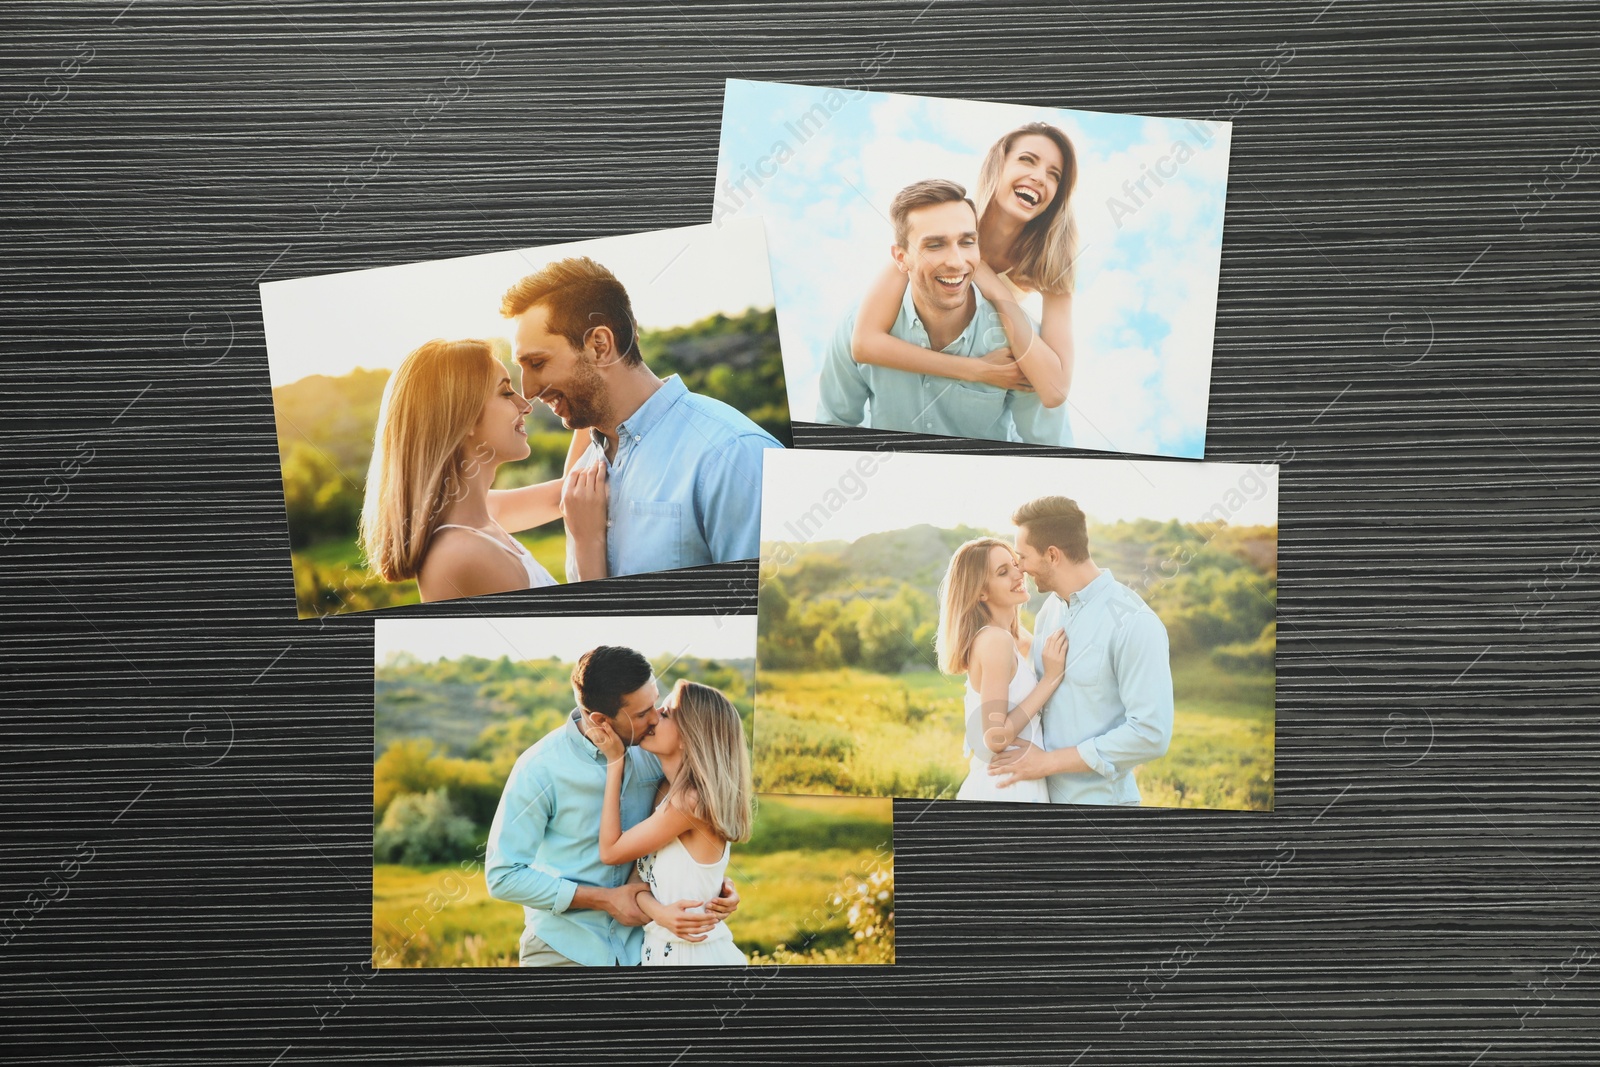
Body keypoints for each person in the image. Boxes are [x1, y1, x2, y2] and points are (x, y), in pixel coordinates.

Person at [502, 256, 784, 580]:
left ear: (599, 346)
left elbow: (764, 617)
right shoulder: (583, 473)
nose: (529, 390)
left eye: (537, 363)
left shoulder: (734, 454)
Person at [484, 646, 740, 966]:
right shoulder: (539, 769)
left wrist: (715, 887)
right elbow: (503, 876)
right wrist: (605, 901)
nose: (654, 718)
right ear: (601, 720)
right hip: (563, 950)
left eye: (656, 703)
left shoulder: (656, 752)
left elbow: (697, 824)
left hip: (645, 950)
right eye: (641, 714)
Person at [849, 123, 1079, 446]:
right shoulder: (947, 221)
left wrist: (996, 290)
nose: (1041, 177)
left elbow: (1054, 391)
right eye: (1028, 160)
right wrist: (975, 370)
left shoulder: (1051, 261)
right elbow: (864, 343)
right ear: (998, 166)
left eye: (1054, 174)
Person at [358, 338, 609, 602]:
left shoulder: (476, 514)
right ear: (463, 418)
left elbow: (568, 492)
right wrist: (588, 543)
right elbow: (589, 621)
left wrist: (589, 387)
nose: (525, 406)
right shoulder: (465, 555)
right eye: (505, 392)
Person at [991, 496, 1174, 804]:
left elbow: (1151, 735)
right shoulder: (1050, 610)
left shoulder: (1134, 623)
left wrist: (1049, 762)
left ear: (1052, 555)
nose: (1019, 567)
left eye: (1022, 556)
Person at [817, 179, 1026, 441]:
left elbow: (1047, 436)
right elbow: (833, 427)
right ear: (901, 258)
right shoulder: (858, 319)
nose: (956, 260)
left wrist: (1000, 294)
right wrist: (976, 370)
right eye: (935, 245)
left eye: (967, 241)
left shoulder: (1015, 334)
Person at [590, 679, 753, 966]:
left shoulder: (689, 802)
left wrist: (615, 762)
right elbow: (641, 879)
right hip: (663, 956)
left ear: (690, 735)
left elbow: (611, 852)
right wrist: (660, 912)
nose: (653, 718)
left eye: (665, 713)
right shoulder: (668, 792)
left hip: (697, 960)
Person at [935, 537, 1067, 804]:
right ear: (981, 592)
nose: (1018, 575)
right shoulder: (996, 640)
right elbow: (995, 736)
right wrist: (1050, 680)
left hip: (1018, 781)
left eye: (1015, 565)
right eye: (1003, 572)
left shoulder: (1013, 639)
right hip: (1005, 787)